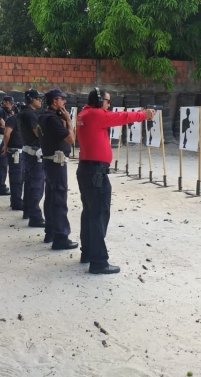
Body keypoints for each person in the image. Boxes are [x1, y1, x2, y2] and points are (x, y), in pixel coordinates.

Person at [76, 87, 155, 274]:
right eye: (107, 101)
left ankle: (87, 253)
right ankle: (99, 261)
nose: (109, 105)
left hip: (87, 169)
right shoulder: (95, 114)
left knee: (89, 213)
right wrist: (143, 114)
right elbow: (123, 118)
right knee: (98, 215)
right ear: (98, 100)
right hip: (96, 172)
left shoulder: (84, 114)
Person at [37, 88, 77, 249]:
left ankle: (51, 232)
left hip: (49, 160)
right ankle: (61, 237)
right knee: (60, 199)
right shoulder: (53, 120)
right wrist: (68, 120)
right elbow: (71, 139)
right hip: (57, 162)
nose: (64, 102)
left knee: (51, 198)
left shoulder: (44, 117)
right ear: (55, 101)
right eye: (62, 99)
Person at [17, 89, 46, 228]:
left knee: (29, 184)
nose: (40, 100)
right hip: (34, 153)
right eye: (37, 98)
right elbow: (39, 134)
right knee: (36, 186)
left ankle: (28, 210)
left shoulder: (24, 112)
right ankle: (35, 216)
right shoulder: (30, 114)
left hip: (29, 152)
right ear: (30, 99)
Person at [2, 102, 26, 211]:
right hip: (15, 151)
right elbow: (7, 134)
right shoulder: (13, 119)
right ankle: (16, 202)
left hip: (20, 151)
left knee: (20, 178)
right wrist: (5, 146)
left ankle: (15, 200)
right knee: (16, 178)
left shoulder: (21, 121)